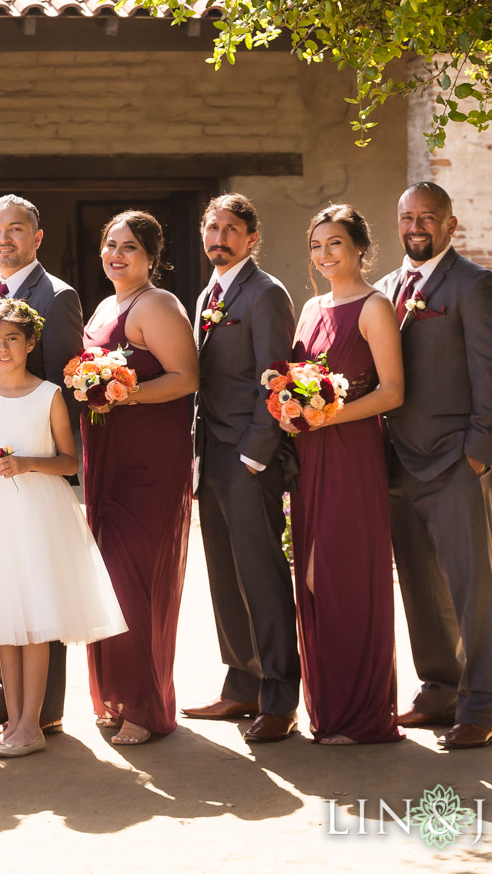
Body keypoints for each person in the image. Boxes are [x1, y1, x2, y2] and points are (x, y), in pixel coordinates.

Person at [0, 296, 125, 758]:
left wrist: (25, 463)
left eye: (13, 340)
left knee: (35, 622)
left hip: (36, 512)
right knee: (5, 623)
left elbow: (67, 462)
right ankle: (14, 723)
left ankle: (32, 725)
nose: (3, 349)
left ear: (30, 342)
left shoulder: (49, 395)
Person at [376, 182, 492, 750]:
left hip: (455, 461)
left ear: (450, 225)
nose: (416, 227)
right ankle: (439, 688)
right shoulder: (385, 289)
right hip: (396, 462)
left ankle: (484, 706)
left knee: (469, 588)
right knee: (418, 585)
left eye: (428, 218)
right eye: (408, 216)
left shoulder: (475, 286)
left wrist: (479, 454)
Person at [182, 194, 301, 743]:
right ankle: (240, 685)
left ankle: (279, 697)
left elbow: (275, 377)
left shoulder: (266, 293)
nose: (220, 237)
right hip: (212, 454)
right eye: (213, 227)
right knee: (225, 575)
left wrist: (257, 451)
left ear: (253, 237)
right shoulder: (209, 291)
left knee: (261, 575)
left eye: (232, 228)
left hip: (248, 458)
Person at [80, 210, 200, 745]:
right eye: (111, 244)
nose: (117, 255)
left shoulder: (159, 304)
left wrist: (123, 393)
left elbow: (185, 378)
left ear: (152, 256)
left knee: (136, 582)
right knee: (106, 580)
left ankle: (147, 708)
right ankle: (116, 695)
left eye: (130, 247)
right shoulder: (107, 305)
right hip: (107, 452)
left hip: (149, 460)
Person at [289, 205, 406, 745]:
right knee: (311, 577)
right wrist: (288, 406)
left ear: (360, 247)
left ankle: (361, 715)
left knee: (344, 576)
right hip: (311, 454)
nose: (325, 254)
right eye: (317, 245)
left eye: (335, 243)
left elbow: (392, 392)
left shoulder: (375, 307)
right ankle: (331, 709)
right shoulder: (310, 307)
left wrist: (327, 414)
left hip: (352, 451)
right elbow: (294, 380)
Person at [0, 194, 81, 733]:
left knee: (39, 586)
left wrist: (48, 462)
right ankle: (10, 700)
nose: (3, 239)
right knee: (3, 582)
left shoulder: (56, 298)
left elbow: (67, 385)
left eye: (15, 230)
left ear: (37, 238)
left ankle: (45, 710)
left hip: (35, 460)